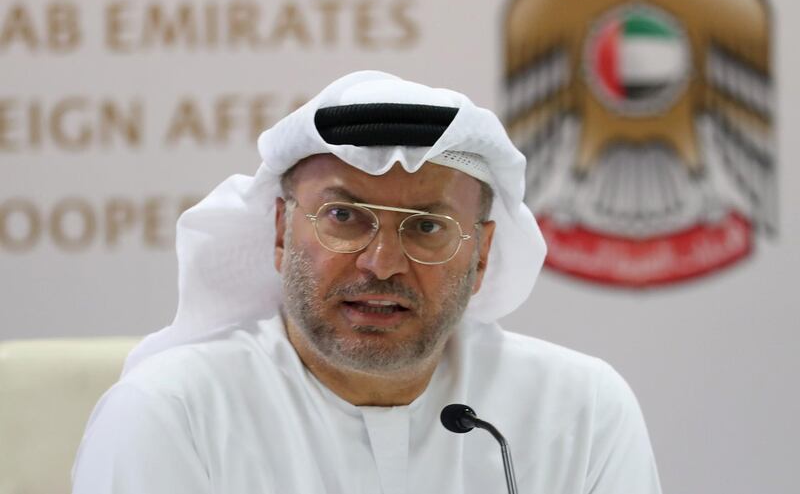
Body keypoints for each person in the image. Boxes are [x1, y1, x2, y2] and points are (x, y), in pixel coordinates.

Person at [72, 71, 662, 493]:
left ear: (481, 254)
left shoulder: (580, 410)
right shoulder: (173, 414)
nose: (382, 263)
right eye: (344, 217)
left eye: (427, 226)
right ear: (281, 231)